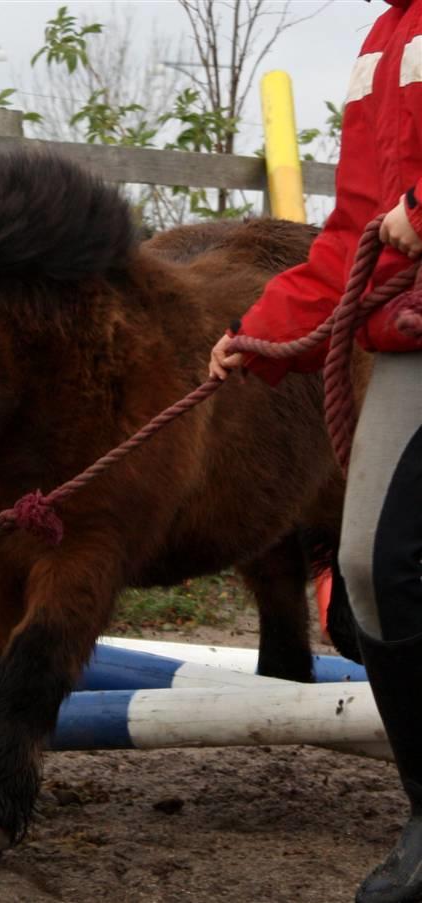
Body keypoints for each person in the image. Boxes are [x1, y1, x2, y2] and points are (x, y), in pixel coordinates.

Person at [208, 2, 422, 902]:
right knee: (372, 566)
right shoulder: (384, 40)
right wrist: (259, 335)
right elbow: (355, 231)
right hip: (410, 330)